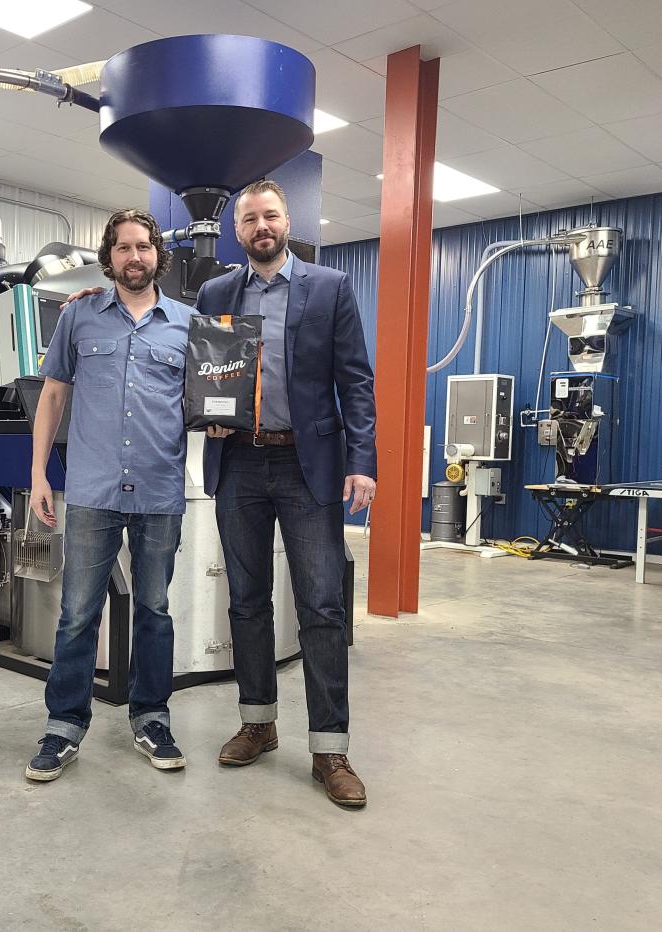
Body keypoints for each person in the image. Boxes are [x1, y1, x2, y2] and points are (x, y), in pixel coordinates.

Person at [200, 179, 377, 809]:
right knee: (246, 601)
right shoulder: (218, 293)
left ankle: (330, 748)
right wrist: (208, 415)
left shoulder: (329, 288)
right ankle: (258, 722)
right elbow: (209, 376)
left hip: (310, 468)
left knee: (322, 605)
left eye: (269, 216)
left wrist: (363, 462)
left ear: (287, 220)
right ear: (238, 231)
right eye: (248, 220)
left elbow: (356, 381)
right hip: (240, 463)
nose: (259, 227)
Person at [24, 208, 194, 782]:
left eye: (143, 246)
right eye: (123, 248)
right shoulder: (79, 318)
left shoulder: (188, 324)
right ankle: (64, 725)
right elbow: (51, 397)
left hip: (160, 488)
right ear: (109, 256)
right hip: (94, 487)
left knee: (155, 610)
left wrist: (225, 418)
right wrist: (39, 475)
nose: (134, 257)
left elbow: (213, 398)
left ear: (157, 256)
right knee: (76, 615)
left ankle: (151, 716)